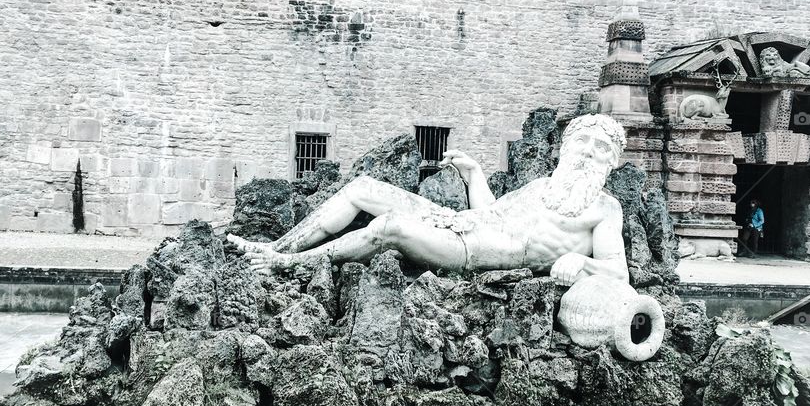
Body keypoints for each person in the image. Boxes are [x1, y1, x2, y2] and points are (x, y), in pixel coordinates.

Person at [228, 113, 630, 285]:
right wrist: (474, 176)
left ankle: (290, 265)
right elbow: (493, 214)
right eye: (582, 141)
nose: (588, 150)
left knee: (389, 228)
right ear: (565, 147)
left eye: (599, 146)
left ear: (611, 160)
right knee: (363, 187)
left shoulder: (604, 209)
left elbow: (617, 272)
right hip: (466, 224)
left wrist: (581, 261)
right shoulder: (542, 185)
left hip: (468, 251)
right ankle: (276, 246)